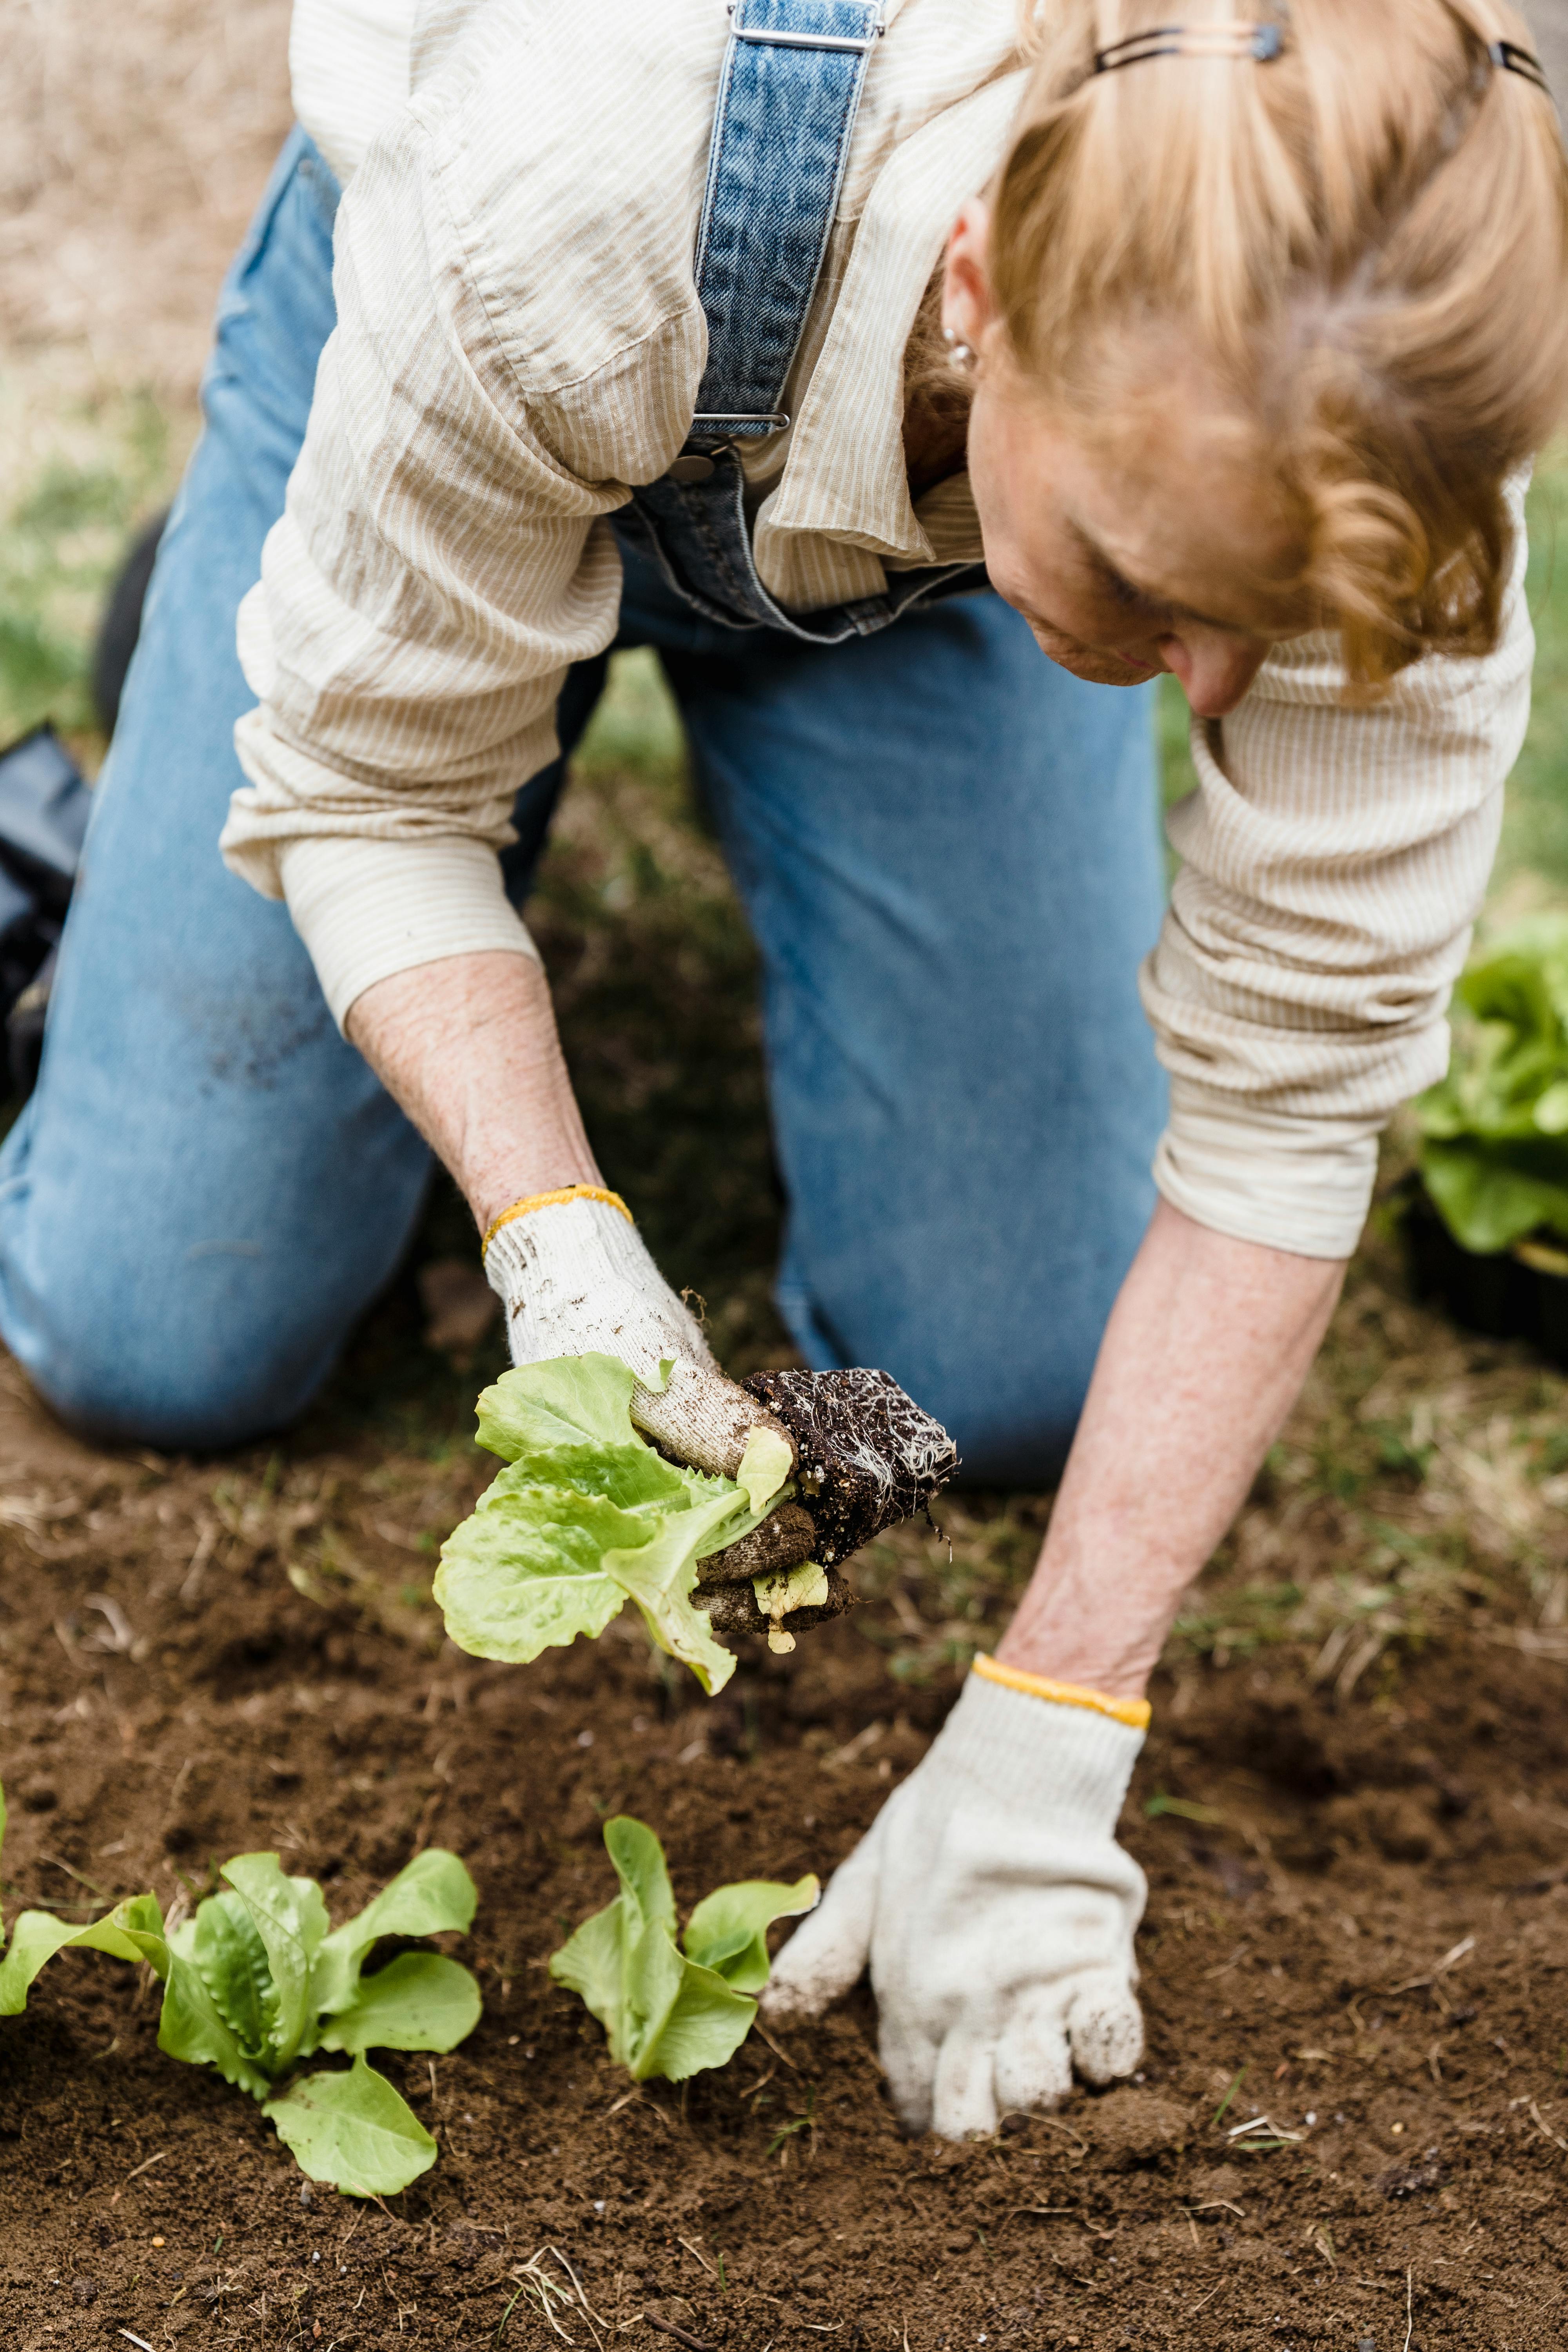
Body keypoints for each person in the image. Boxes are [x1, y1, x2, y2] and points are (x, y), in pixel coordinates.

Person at [3, 0, 1566, 2136]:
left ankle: (827, 687)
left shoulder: (1376, 431)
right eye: (1152, 584)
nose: (1208, 688)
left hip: (948, 551)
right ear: (983, 286)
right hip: (516, 333)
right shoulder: (565, 172)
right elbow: (373, 797)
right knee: (156, 1328)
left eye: (1251, 617)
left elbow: (1296, 1092)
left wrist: (1054, 1727)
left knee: (1012, 1367)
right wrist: (554, 1233)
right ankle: (252, 590)